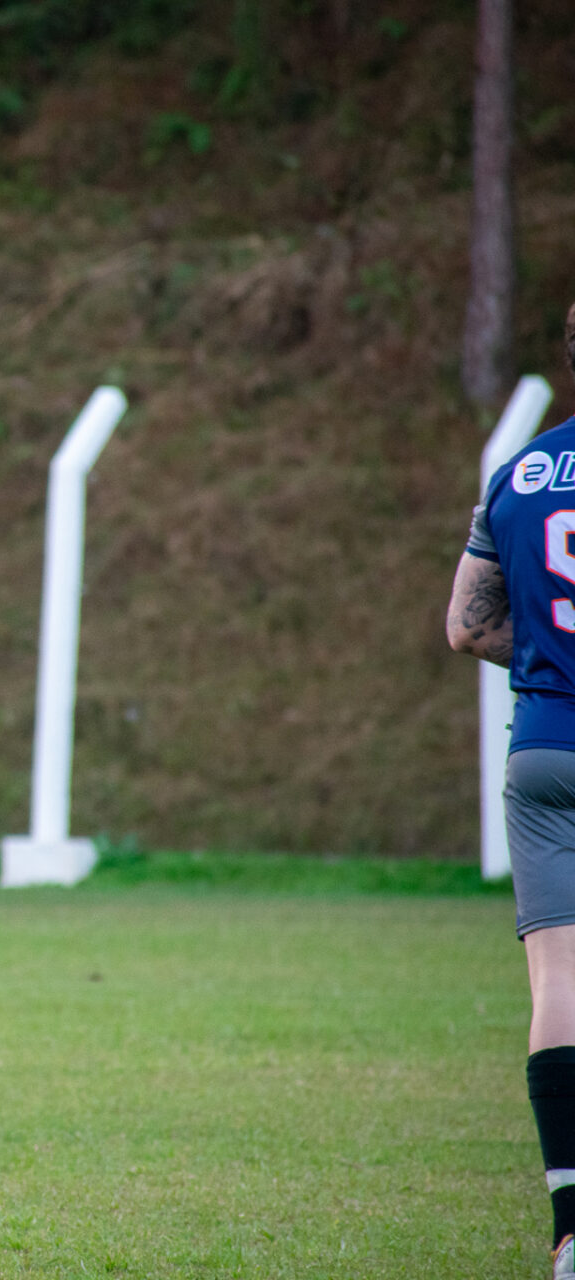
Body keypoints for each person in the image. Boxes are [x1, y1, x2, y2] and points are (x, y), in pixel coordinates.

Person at [448, 306, 575, 1279]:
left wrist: (541, 659)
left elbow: (465, 624)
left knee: (560, 984)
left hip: (543, 747)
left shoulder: (522, 471)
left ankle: (573, 1226)